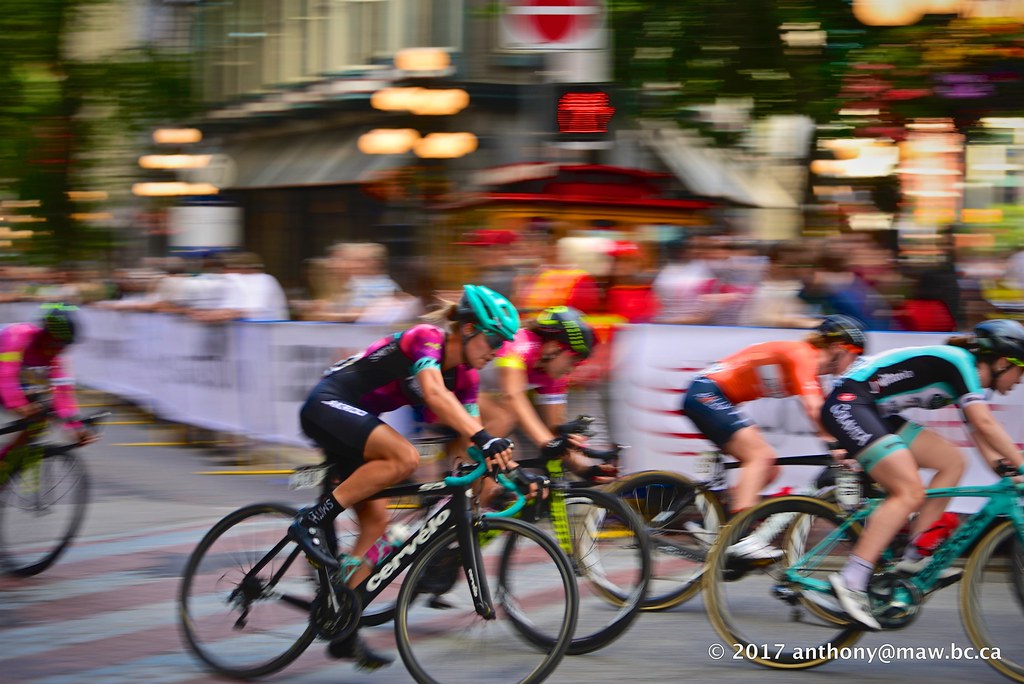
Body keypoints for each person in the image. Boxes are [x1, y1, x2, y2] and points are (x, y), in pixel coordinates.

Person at [287, 284, 522, 669]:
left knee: (375, 525)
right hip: (327, 404)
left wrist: (509, 469)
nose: (496, 351)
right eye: (493, 340)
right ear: (467, 329)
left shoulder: (466, 378)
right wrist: (484, 437)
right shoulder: (427, 338)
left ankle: (341, 623)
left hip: (355, 425)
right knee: (404, 457)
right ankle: (312, 521)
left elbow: (471, 436)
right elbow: (433, 393)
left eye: (503, 344)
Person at [822, 318, 1024, 631]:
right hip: (850, 403)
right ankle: (852, 579)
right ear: (1001, 362)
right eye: (1020, 370)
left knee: (953, 462)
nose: (1020, 380)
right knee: (909, 491)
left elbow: (981, 437)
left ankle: (914, 556)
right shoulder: (961, 363)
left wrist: (1008, 470)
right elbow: (984, 424)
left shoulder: (968, 379)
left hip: (875, 411)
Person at [681, 315, 867, 558]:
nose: (856, 360)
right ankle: (738, 535)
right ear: (837, 347)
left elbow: (823, 416)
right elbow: (813, 408)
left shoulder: (809, 369)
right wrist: (836, 445)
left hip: (712, 396)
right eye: (855, 352)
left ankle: (715, 527)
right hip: (706, 393)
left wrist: (843, 442)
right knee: (760, 456)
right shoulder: (803, 354)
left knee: (770, 470)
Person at [478, 306, 618, 490]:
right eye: (572, 361)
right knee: (504, 418)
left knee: (509, 440)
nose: (571, 370)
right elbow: (512, 396)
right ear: (554, 348)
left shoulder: (553, 374)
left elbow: (553, 434)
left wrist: (584, 468)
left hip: (474, 396)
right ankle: (469, 488)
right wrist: (547, 443)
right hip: (453, 388)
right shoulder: (522, 344)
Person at [0, 303, 95, 474]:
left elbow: (62, 393)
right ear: (44, 333)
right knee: (27, 404)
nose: (58, 350)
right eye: (55, 342)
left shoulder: (55, 357)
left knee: (40, 415)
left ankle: (4, 465)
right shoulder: (17, 335)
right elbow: (6, 375)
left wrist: (76, 428)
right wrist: (17, 404)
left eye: (63, 345)